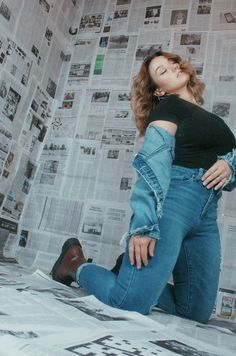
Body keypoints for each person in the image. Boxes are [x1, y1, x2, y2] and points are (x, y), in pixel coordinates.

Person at [51, 50, 236, 323]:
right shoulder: (168, 108)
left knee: (195, 312)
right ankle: (74, 265)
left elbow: (230, 170)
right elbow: (154, 166)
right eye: (162, 71)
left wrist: (230, 165)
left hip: (206, 214)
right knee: (127, 303)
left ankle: (125, 273)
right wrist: (144, 227)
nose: (172, 67)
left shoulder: (211, 119)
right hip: (173, 204)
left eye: (172, 62)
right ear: (159, 92)